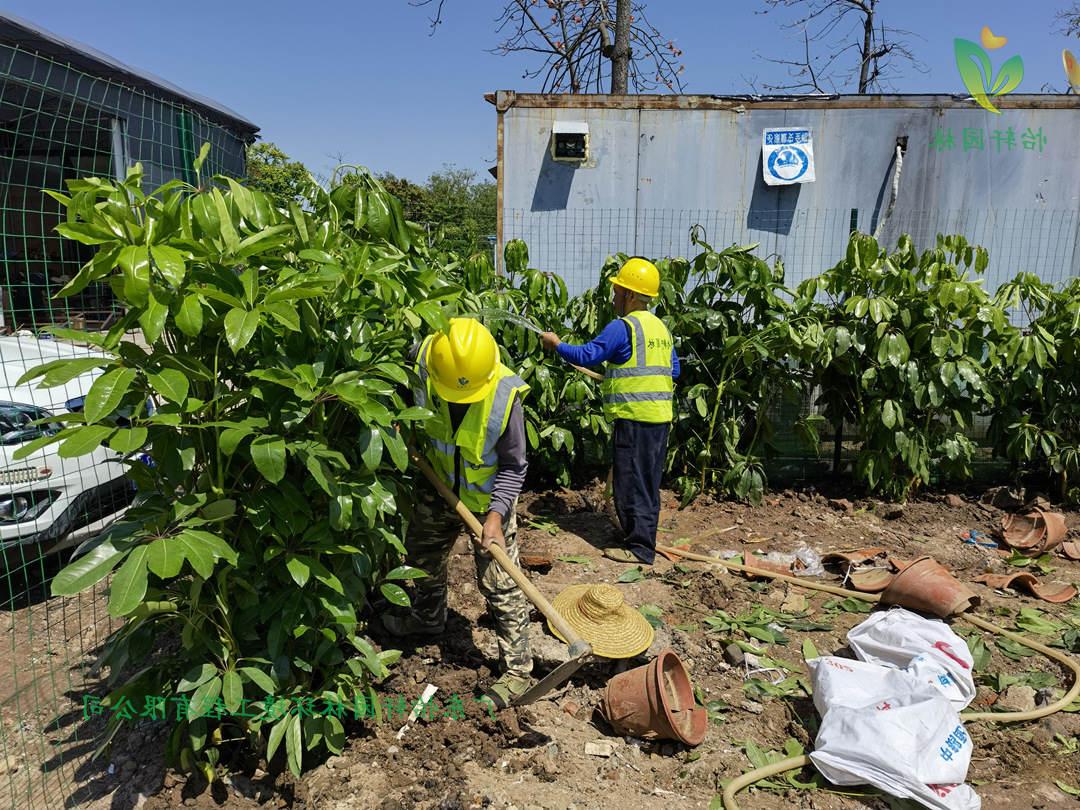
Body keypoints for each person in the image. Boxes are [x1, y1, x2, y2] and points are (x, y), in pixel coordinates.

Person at [382, 318, 534, 709]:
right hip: (438, 486)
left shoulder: (503, 394)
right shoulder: (423, 363)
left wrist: (497, 516)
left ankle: (517, 669)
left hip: (487, 503)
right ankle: (428, 618)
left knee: (502, 582)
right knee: (422, 557)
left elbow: (515, 465)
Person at [540, 258, 679, 566]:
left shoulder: (623, 327)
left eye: (618, 290)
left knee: (631, 483)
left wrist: (557, 344)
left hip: (634, 417)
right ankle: (638, 537)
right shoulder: (660, 328)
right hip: (658, 419)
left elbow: (588, 355)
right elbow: (675, 369)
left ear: (630, 294)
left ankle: (641, 549)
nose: (614, 296)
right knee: (646, 482)